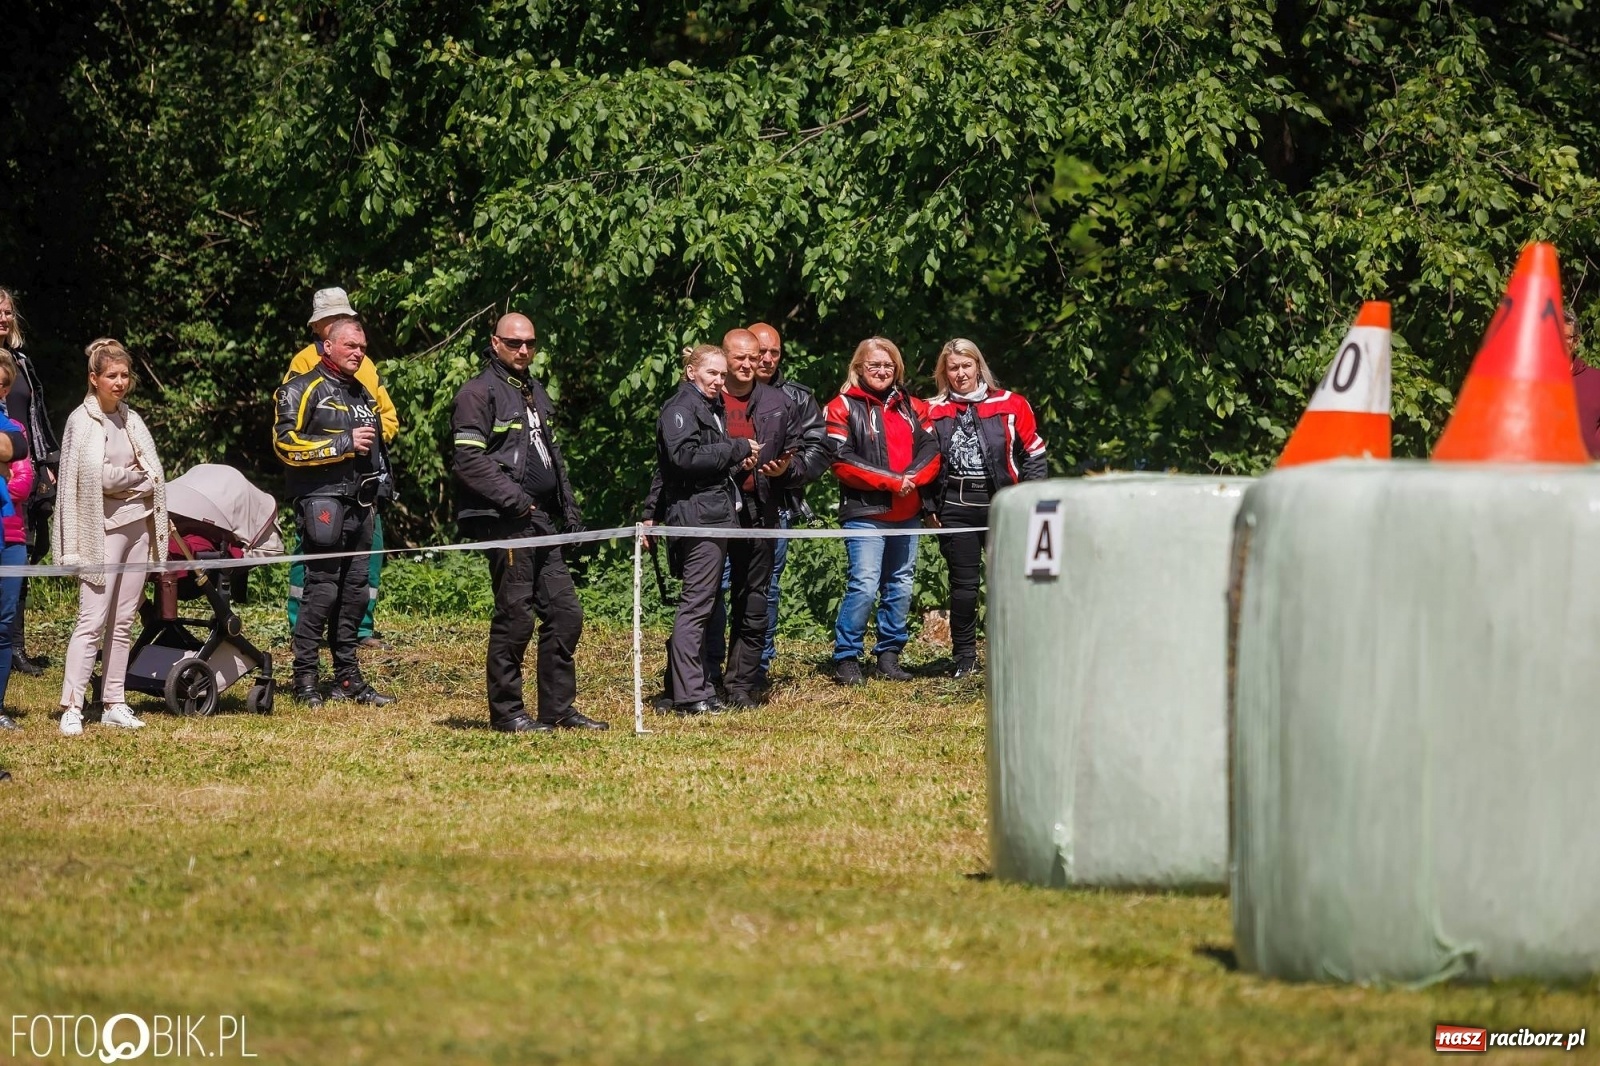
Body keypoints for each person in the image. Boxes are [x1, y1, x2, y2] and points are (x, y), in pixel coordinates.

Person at [450, 313, 604, 733]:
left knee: (565, 612)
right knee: (515, 616)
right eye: (515, 343)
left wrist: (568, 509)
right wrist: (517, 502)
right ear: (495, 342)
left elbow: (550, 456)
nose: (523, 350)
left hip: (542, 520)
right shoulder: (478, 392)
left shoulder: (533, 390)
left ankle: (558, 709)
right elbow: (468, 459)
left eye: (530, 343)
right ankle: (508, 713)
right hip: (506, 521)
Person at [273, 317, 395, 708]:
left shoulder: (363, 393)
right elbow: (283, 444)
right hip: (321, 501)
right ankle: (305, 678)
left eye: (362, 347)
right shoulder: (299, 388)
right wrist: (342, 443)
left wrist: (383, 488)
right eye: (350, 346)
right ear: (327, 346)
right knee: (321, 592)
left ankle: (348, 678)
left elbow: (377, 451)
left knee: (355, 594)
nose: (359, 353)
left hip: (363, 506)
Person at [54, 338, 167, 736]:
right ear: (94, 378)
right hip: (99, 532)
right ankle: (72, 703)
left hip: (138, 527)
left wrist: (131, 482)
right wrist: (133, 479)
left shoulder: (131, 419)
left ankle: (114, 700)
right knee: (92, 620)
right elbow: (96, 477)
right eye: (111, 376)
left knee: (122, 622)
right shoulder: (80, 422)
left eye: (124, 376)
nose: (119, 383)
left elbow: (154, 474)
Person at [924, 339, 1047, 677]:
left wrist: (1027, 499)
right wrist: (928, 505)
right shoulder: (931, 410)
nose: (960, 373)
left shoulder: (1011, 403)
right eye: (953, 368)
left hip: (1002, 506)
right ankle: (964, 657)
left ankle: (1013, 653)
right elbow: (923, 463)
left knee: (1008, 583)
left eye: (966, 366)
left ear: (978, 366)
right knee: (963, 587)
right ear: (944, 372)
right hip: (955, 506)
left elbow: (1034, 452)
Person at [285, 287, 399, 649]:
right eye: (332, 319)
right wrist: (339, 439)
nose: (340, 324)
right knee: (315, 560)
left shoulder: (364, 362)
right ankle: (302, 630)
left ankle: (359, 630)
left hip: (367, 479)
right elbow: (293, 420)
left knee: (366, 559)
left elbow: (388, 416)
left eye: (343, 316)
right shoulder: (303, 362)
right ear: (320, 328)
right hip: (322, 484)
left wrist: (374, 435)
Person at [825, 337, 940, 685]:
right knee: (863, 584)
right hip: (865, 513)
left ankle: (889, 656)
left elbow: (932, 450)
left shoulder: (915, 407)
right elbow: (840, 459)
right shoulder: (841, 406)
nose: (881, 370)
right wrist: (893, 481)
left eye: (888, 365)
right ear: (859, 367)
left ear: (897, 368)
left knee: (901, 587)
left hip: (907, 512)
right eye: (874, 364)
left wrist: (911, 480)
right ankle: (846, 657)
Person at [654, 344, 760, 714]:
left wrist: (739, 462)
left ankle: (684, 689)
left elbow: (707, 465)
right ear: (691, 373)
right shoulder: (681, 409)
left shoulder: (710, 408)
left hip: (714, 515)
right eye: (711, 373)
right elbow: (681, 460)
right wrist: (733, 448)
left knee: (706, 604)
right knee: (696, 607)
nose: (718, 381)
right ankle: (690, 695)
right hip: (698, 520)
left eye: (721, 375)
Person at [697, 328, 798, 708]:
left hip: (761, 513)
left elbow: (804, 450)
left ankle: (741, 685)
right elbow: (676, 458)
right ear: (723, 357)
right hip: (710, 514)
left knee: (753, 601)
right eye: (738, 358)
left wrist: (785, 470)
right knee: (705, 600)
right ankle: (701, 681)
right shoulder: (702, 399)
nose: (746, 365)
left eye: (753, 358)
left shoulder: (778, 401)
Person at [750, 321, 828, 685]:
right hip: (724, 508)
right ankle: (709, 664)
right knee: (719, 585)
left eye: (774, 352)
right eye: (760, 351)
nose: (766, 359)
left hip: (776, 505)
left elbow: (820, 448)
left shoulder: (798, 397)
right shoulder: (716, 389)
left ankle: (757, 667)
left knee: (767, 587)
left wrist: (788, 470)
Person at [0, 288, 60, 677]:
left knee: (21, 553)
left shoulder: (21, 361)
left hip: (24, 467)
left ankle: (15, 644)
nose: (3, 318)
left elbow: (34, 416)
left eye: (6, 312)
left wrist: (45, 462)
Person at [0, 350, 33, 730]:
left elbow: (22, 478)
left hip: (12, 536)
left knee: (4, 624)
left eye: (4, 386)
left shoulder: (16, 429)